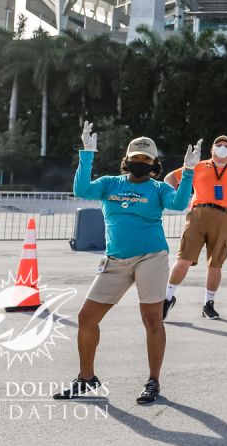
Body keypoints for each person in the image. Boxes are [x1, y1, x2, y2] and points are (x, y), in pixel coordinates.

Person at [56, 122, 198, 405]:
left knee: (152, 319)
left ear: (154, 163)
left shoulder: (158, 188)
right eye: (136, 158)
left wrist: (188, 172)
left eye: (146, 159)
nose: (140, 163)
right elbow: (82, 189)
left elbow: (180, 203)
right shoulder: (110, 183)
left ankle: (153, 381)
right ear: (127, 160)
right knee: (87, 317)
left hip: (151, 257)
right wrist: (87, 154)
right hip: (116, 260)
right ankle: (86, 378)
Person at [162, 135, 227, 321]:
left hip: (224, 217)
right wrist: (180, 199)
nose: (223, 147)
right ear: (212, 149)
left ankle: (208, 304)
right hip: (198, 215)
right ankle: (167, 298)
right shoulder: (199, 165)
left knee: (215, 264)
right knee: (184, 259)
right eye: (219, 145)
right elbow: (170, 178)